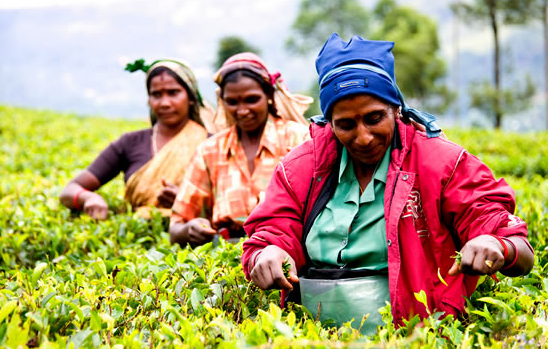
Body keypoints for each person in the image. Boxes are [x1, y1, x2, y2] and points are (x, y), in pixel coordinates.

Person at [241, 34, 534, 332]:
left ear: (396, 108)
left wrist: (496, 244)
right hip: (311, 334)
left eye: (374, 118)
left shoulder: (440, 163)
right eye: (345, 124)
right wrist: (270, 252)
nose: (363, 136)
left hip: (415, 335)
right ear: (329, 122)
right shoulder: (302, 168)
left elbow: (520, 250)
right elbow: (273, 229)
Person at [169, 53, 311, 246]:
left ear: (269, 95)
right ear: (222, 101)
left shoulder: (299, 139)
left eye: (252, 100)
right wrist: (190, 228)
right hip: (225, 256)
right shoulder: (210, 151)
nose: (242, 110)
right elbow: (176, 227)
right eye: (233, 102)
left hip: (289, 249)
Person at [60, 59, 210, 219]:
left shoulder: (211, 144)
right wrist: (89, 198)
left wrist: (186, 201)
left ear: (191, 97)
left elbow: (229, 207)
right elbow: (70, 190)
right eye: (156, 95)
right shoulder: (130, 142)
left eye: (173, 92)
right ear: (149, 100)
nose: (165, 103)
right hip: (135, 234)